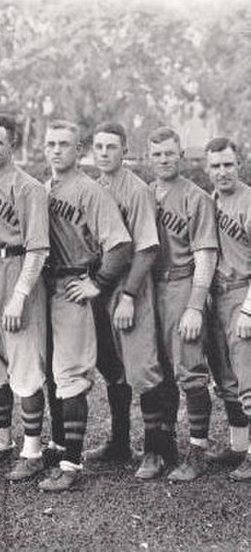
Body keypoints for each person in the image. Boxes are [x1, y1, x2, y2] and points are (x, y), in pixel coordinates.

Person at [39, 119, 132, 492]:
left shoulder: (90, 191)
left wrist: (97, 283)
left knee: (71, 374)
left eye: (65, 144)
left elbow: (121, 246)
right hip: (47, 284)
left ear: (79, 151)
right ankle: (61, 444)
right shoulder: (44, 188)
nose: (57, 150)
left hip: (75, 282)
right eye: (51, 143)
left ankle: (71, 463)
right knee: (51, 370)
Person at [0, 114, 51, 483]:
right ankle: (2, 441)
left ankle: (32, 450)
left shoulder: (29, 187)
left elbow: (38, 249)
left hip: (16, 268)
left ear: (11, 145)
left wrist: (20, 294)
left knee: (25, 360)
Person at [84, 122, 167, 479]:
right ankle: (119, 441)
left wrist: (130, 297)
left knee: (143, 369)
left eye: (111, 147)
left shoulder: (136, 190)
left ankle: (155, 451)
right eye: (99, 147)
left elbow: (147, 249)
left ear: (124, 151)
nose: (104, 153)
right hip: (100, 285)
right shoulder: (95, 187)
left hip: (130, 286)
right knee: (111, 367)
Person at [148, 126, 218, 482]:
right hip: (152, 288)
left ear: (181, 156)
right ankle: (162, 448)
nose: (164, 159)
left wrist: (194, 305)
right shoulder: (145, 194)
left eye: (170, 153)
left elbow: (205, 257)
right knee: (157, 371)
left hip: (182, 284)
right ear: (149, 157)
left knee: (190, 371)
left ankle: (197, 452)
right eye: (157, 154)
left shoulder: (196, 197)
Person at [204, 137, 251, 482]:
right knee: (225, 379)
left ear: (239, 165)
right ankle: (238, 446)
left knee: (248, 378)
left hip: (242, 293)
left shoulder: (248, 200)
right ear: (207, 169)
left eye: (228, 164)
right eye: (216, 166)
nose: (222, 172)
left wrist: (250, 310)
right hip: (216, 296)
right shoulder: (209, 202)